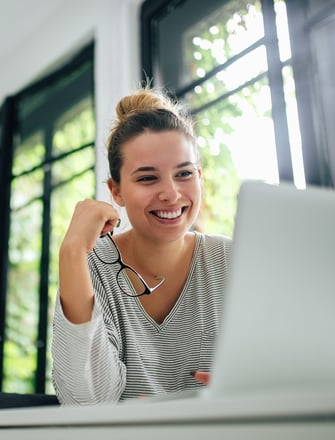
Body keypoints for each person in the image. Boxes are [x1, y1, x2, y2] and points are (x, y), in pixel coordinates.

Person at [51, 86, 232, 405]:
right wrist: (71, 253)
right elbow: (86, 404)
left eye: (184, 173)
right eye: (148, 178)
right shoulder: (92, 266)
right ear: (116, 191)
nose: (171, 194)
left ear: (199, 177)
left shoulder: (232, 261)